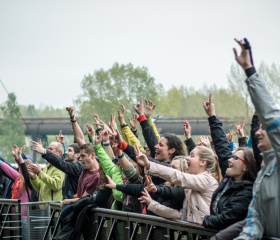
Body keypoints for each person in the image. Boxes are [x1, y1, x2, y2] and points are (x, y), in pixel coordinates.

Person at [201, 93, 257, 230]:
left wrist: (207, 221)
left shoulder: (247, 191)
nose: (230, 160)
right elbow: (222, 148)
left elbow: (228, 219)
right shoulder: (230, 175)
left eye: (236, 158)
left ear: (246, 167)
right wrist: (212, 116)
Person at [135, 145, 218, 223]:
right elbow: (180, 215)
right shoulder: (192, 187)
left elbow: (178, 176)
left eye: (192, 156)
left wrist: (149, 165)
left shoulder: (208, 180)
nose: (187, 158)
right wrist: (152, 204)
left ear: (202, 162)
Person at [0, 145, 32, 240]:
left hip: (25, 219)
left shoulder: (31, 181)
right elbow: (6, 167)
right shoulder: (18, 178)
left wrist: (19, 159)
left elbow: (25, 174)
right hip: (14, 217)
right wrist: (17, 158)